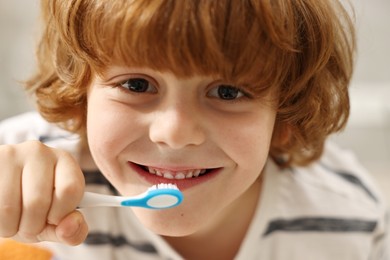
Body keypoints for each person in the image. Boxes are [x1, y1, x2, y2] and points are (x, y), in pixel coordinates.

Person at [0, 0, 388, 259]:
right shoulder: (23, 170)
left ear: (285, 115)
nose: (175, 132)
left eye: (227, 91)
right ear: (80, 95)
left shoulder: (351, 223)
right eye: (137, 85)